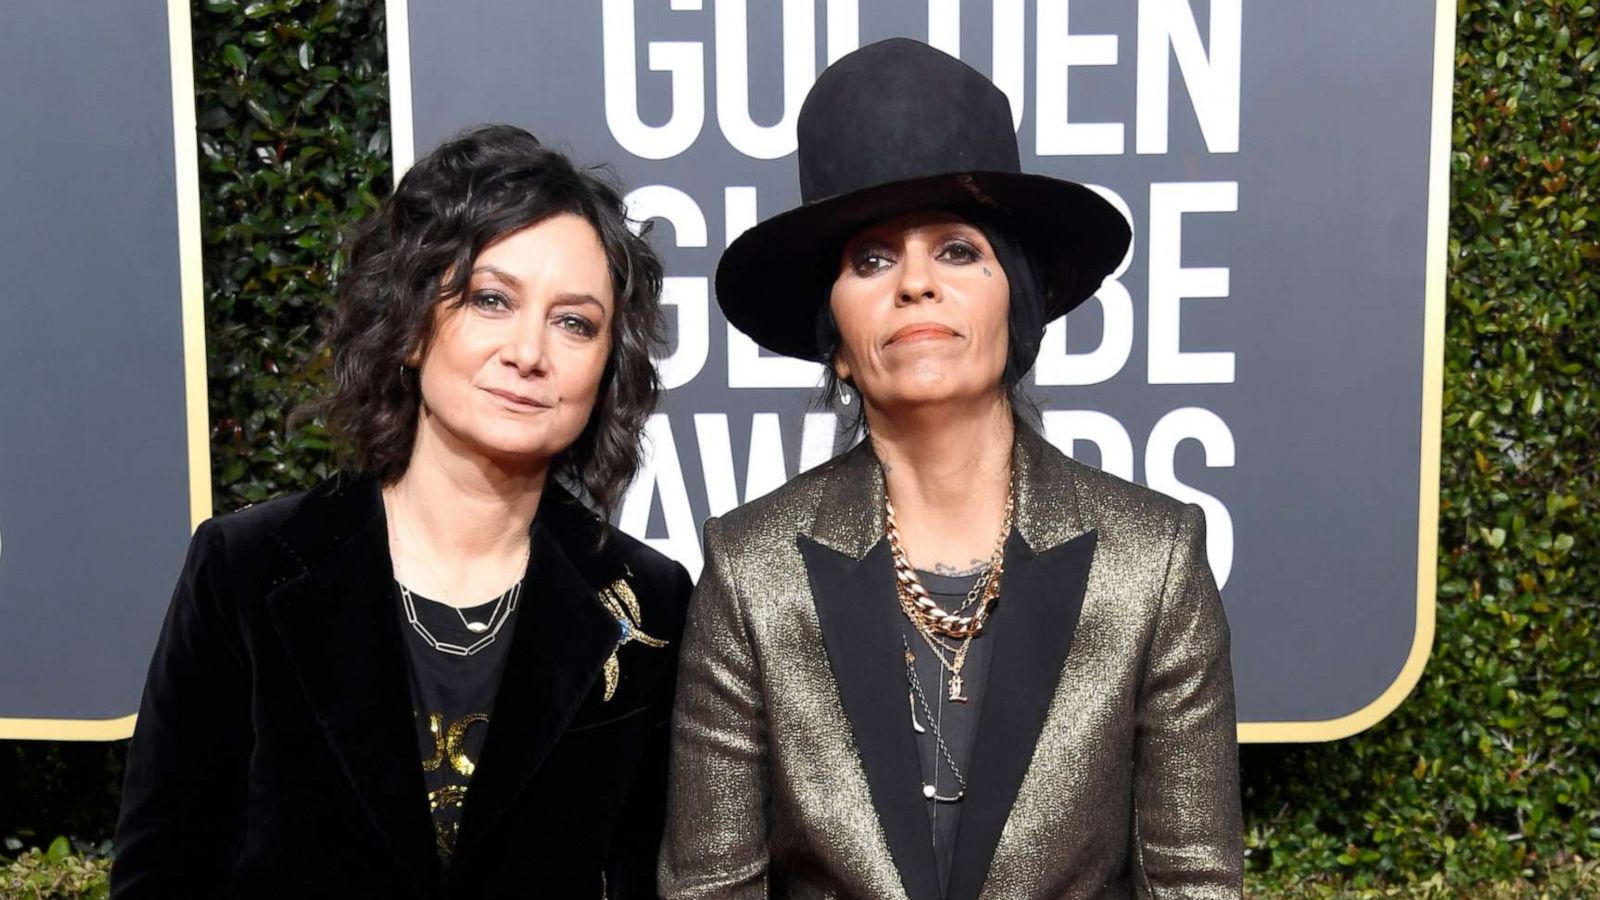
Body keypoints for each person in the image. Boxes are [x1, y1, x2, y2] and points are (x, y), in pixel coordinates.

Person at [661, 39, 1242, 900]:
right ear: (838, 341)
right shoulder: (752, 571)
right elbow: (711, 889)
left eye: (958, 250)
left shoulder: (1154, 559)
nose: (916, 284)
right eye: (872, 259)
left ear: (1019, 301)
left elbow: (1195, 883)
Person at [113, 124, 691, 898]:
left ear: (607, 364)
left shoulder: (648, 599)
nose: (529, 352)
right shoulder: (246, 569)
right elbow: (164, 872)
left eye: (574, 322)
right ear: (413, 323)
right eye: (491, 299)